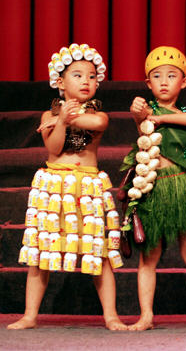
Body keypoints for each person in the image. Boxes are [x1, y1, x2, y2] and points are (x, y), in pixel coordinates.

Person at [8, 44, 127, 330]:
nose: (86, 81)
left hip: (87, 185)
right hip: (54, 184)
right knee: (40, 253)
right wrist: (58, 119)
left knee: (99, 253)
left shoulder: (99, 114)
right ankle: (29, 315)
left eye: (91, 76)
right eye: (78, 75)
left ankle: (110, 315)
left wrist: (61, 118)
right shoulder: (48, 116)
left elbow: (95, 122)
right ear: (60, 83)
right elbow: (55, 145)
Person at [123, 46, 186, 331]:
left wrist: (161, 119)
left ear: (185, 82)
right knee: (149, 256)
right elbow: (139, 114)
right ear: (148, 83)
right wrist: (141, 112)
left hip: (182, 188)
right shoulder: (146, 110)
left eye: (171, 75)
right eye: (157, 75)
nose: (164, 81)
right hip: (154, 188)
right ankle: (146, 316)